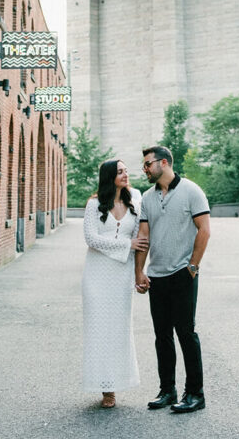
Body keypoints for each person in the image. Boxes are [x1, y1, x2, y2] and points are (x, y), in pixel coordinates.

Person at [134, 145, 210, 414]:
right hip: (157, 277)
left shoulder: (191, 190)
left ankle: (195, 394)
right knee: (162, 336)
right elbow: (143, 239)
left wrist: (192, 266)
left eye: (147, 164)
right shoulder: (147, 197)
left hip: (182, 274)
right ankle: (168, 390)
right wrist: (139, 272)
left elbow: (204, 230)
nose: (144, 169)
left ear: (163, 163)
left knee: (186, 334)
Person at [82, 158, 148, 409]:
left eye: (126, 171)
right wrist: (125, 245)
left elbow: (139, 239)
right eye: (120, 172)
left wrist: (137, 273)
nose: (125, 174)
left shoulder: (135, 200)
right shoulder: (94, 204)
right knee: (98, 331)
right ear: (109, 176)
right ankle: (105, 389)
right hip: (96, 276)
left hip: (121, 274)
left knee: (119, 330)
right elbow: (91, 239)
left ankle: (119, 380)